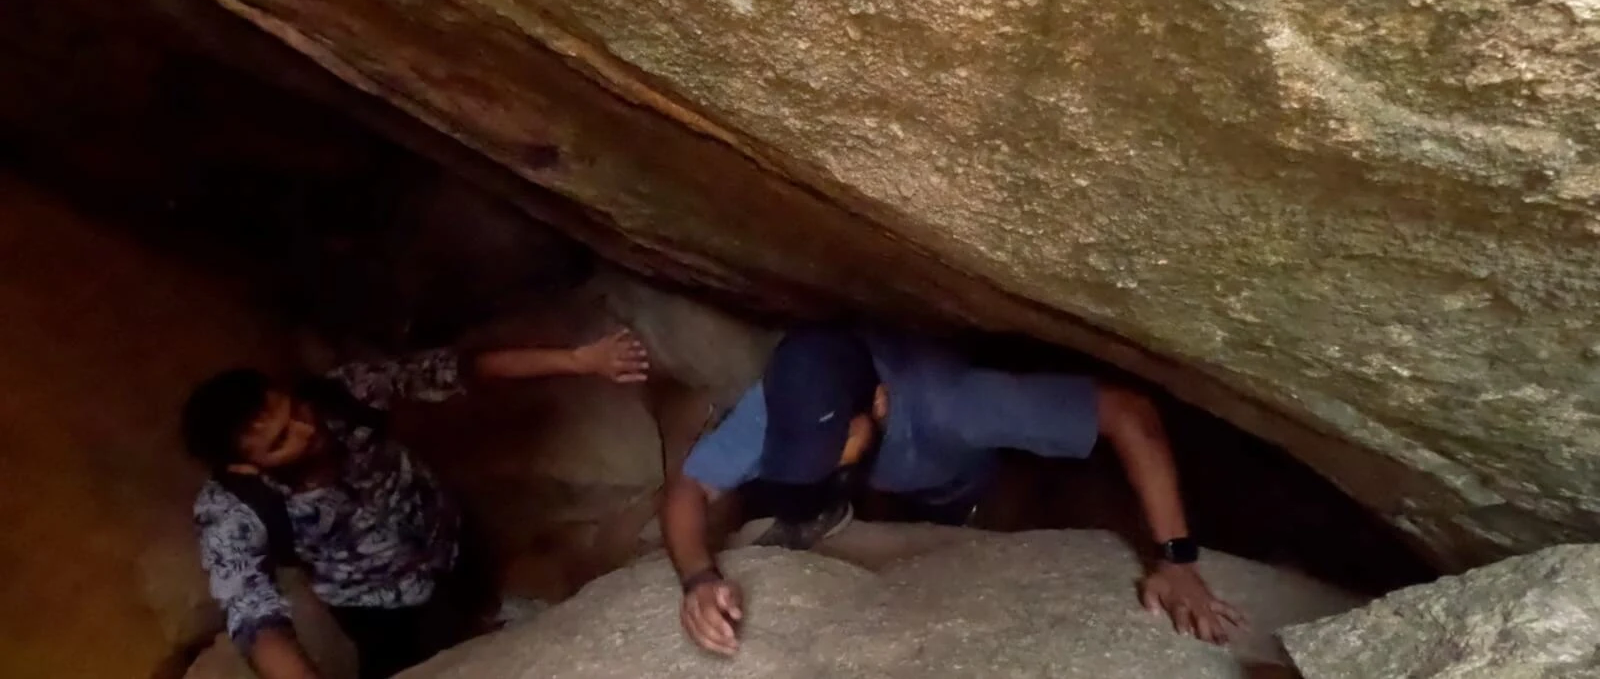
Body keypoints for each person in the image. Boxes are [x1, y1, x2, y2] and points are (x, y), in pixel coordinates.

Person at [661, 323, 1246, 656]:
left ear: (879, 404)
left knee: (962, 509)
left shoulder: (956, 403)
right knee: (830, 484)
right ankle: (843, 507)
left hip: (969, 485)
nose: (817, 457)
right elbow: (690, 487)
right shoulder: (787, 403)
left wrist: (1177, 558)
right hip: (897, 481)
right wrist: (698, 577)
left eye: (831, 446)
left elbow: (1127, 411)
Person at [182, 329, 650, 679]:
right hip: (379, 608)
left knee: (476, 598)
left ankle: (494, 619)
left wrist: (578, 360)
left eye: (295, 411)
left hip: (444, 536)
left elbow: (455, 369)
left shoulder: (342, 395)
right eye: (282, 440)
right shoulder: (232, 510)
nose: (308, 430)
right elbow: (255, 618)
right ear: (245, 467)